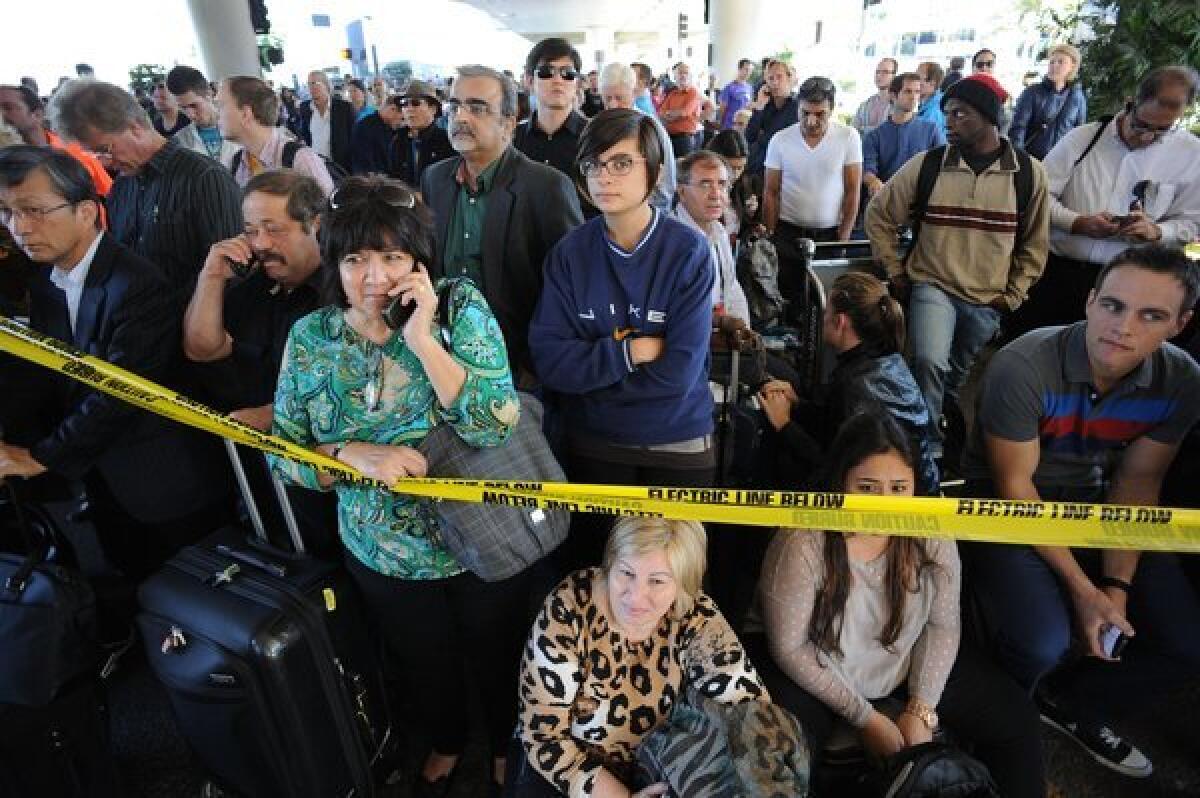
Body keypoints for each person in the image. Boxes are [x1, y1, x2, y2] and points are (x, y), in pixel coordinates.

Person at [269, 175, 528, 797]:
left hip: (478, 538)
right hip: (381, 548)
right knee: (423, 660)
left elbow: (495, 421)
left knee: (496, 652)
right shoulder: (312, 339)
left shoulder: (459, 307)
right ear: (333, 261)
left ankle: (502, 740)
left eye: (392, 256)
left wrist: (422, 337)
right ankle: (445, 738)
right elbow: (284, 452)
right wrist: (349, 453)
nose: (374, 276)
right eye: (355, 258)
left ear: (417, 259)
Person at [960, 244, 1200, 778]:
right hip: (1008, 506)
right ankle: (1006, 714)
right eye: (1113, 306)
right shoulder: (1022, 364)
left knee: (1186, 644)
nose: (1124, 327)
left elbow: (1138, 482)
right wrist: (1085, 591)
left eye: (1151, 315)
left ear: (1181, 324)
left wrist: (1116, 589)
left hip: (1094, 506)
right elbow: (1015, 488)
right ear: (1090, 302)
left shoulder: (1181, 380)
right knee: (1044, 641)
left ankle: (1073, 703)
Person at [0, 147, 232, 671]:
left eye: (35, 210)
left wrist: (41, 456)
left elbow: (119, 395)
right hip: (106, 479)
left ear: (86, 211)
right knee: (139, 578)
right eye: (10, 212)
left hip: (168, 481)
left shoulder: (137, 285)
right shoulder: (43, 281)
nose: (20, 227)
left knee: (201, 598)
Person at [753, 412, 1045, 798]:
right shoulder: (804, 541)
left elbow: (941, 626)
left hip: (900, 656)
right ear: (841, 483)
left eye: (898, 487)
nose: (884, 504)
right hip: (817, 661)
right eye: (867, 487)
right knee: (789, 756)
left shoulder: (931, 533)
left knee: (1017, 721)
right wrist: (866, 718)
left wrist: (921, 707)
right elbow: (790, 647)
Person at [528, 108, 714, 571]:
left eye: (621, 163)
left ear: (654, 171)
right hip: (596, 442)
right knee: (599, 578)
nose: (603, 177)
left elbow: (679, 374)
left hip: (678, 441)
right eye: (593, 165)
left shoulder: (688, 251)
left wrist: (595, 370)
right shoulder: (570, 254)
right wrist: (632, 350)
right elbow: (551, 361)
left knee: (673, 582)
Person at [507, 517, 769, 797]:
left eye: (656, 581)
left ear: (683, 584)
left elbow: (752, 710)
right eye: (626, 573)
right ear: (610, 565)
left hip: (661, 762)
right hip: (572, 762)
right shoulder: (569, 608)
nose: (635, 597)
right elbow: (543, 736)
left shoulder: (696, 615)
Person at [865, 73, 1049, 461]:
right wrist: (896, 271)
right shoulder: (928, 165)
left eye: (960, 114)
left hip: (987, 296)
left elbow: (1035, 242)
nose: (948, 122)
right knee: (928, 363)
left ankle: (934, 431)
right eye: (947, 113)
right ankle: (924, 455)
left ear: (988, 117)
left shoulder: (1028, 173)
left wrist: (1013, 294)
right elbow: (880, 214)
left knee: (952, 379)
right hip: (933, 284)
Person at [1007, 66, 1200, 335]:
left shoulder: (1191, 154)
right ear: (1131, 104)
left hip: (1132, 286)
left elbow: (1192, 222)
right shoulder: (1083, 139)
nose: (1146, 137)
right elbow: (1036, 197)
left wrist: (1157, 231)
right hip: (1059, 274)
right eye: (1141, 125)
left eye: (1161, 131)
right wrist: (1076, 223)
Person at [421, 64, 583, 385]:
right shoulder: (435, 178)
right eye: (455, 106)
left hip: (517, 369)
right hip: (444, 361)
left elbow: (570, 288)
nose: (461, 117)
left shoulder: (545, 187)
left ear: (509, 123)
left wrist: (533, 367)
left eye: (477, 108)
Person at [47, 79, 243, 306]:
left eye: (105, 149)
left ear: (135, 127)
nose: (104, 163)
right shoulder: (121, 188)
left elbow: (230, 274)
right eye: (93, 154)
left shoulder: (205, 178)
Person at [758, 271, 939, 494]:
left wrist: (784, 425)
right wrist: (798, 405)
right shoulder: (885, 360)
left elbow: (835, 467)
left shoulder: (858, 385)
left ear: (840, 321)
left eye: (827, 312)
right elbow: (836, 426)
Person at [764, 76, 862, 245]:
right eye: (805, 113)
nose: (811, 121)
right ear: (797, 109)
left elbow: (852, 190)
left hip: (830, 235)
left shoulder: (848, 137)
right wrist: (770, 235)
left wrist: (844, 237)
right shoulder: (780, 140)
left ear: (831, 110)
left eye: (820, 114)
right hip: (787, 233)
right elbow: (770, 192)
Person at [217, 76, 335, 195]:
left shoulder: (300, 159)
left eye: (221, 106)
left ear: (245, 114)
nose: (217, 114)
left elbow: (328, 211)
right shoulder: (235, 163)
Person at [672, 150, 750, 326]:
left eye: (722, 184)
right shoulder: (670, 240)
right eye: (705, 185)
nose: (716, 194)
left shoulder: (719, 231)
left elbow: (731, 287)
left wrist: (743, 328)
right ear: (682, 192)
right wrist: (720, 322)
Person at [0, 84, 112, 200]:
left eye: (8, 107)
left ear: (37, 115)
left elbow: (110, 194)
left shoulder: (75, 152)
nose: (1, 115)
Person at [598, 62, 676, 210]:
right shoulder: (598, 126)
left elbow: (667, 182)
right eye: (607, 98)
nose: (613, 105)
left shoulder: (650, 126)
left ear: (634, 93)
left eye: (619, 97)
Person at [862, 72, 946, 198]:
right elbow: (868, 170)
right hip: (887, 198)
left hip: (922, 199)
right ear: (893, 95)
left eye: (917, 92)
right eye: (907, 91)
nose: (913, 97)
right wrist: (873, 181)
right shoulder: (874, 136)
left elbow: (944, 164)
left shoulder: (931, 130)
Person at [514, 38, 589, 179]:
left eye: (568, 73)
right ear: (529, 81)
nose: (558, 80)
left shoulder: (594, 137)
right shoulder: (512, 139)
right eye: (546, 72)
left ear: (577, 83)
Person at [1010, 44, 1087, 160]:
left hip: (1060, 164)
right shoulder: (1032, 92)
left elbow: (1079, 134)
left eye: (1061, 62)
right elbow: (1018, 129)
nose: (1054, 65)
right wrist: (1020, 160)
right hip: (1032, 161)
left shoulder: (1077, 97)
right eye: (1052, 62)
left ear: (1072, 66)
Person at [165, 65, 241, 168]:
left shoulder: (241, 126)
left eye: (194, 105)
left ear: (209, 94)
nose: (190, 114)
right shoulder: (179, 141)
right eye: (182, 108)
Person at [390, 81, 454, 188]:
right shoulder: (398, 140)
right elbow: (393, 179)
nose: (409, 109)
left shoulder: (446, 141)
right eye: (404, 104)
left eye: (415, 103)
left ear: (433, 109)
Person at [744, 59, 797, 175]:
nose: (775, 82)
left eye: (779, 77)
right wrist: (759, 106)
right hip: (761, 168)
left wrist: (762, 137)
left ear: (789, 78)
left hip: (786, 170)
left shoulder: (797, 106)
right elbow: (750, 136)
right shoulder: (765, 105)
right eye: (770, 78)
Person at [707, 128, 761, 240]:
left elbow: (741, 230)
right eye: (730, 168)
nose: (735, 174)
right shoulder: (699, 188)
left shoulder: (745, 187)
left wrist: (750, 215)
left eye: (740, 168)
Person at [298, 70, 356, 174]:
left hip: (341, 168)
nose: (311, 87)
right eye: (309, 84)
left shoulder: (344, 108)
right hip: (316, 168)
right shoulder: (305, 108)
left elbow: (354, 140)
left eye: (315, 83)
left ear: (326, 84)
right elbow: (306, 136)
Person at [658, 62, 703, 157]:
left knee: (684, 169)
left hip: (685, 140)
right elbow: (661, 113)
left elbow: (685, 112)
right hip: (669, 137)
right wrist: (674, 114)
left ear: (690, 76)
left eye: (686, 73)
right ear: (674, 76)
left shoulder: (693, 92)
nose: (683, 75)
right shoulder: (672, 94)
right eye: (680, 73)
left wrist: (669, 115)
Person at [852, 58, 899, 133]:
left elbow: (893, 132)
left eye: (885, 72)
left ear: (894, 76)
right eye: (877, 72)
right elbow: (854, 132)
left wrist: (865, 129)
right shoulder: (865, 105)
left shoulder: (899, 105)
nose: (879, 75)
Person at [716, 58, 755, 131]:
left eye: (750, 70)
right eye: (746, 69)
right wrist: (720, 126)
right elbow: (722, 109)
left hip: (743, 128)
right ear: (739, 69)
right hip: (729, 127)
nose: (748, 72)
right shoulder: (729, 87)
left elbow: (749, 107)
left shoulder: (749, 88)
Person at [915, 62, 946, 132]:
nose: (914, 82)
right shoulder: (930, 103)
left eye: (917, 78)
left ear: (932, 82)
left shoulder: (933, 112)